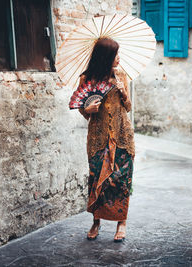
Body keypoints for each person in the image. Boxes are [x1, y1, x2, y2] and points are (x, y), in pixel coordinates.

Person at [76, 37, 135, 242]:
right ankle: (96, 221)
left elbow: (128, 108)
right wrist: (87, 109)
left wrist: (123, 93)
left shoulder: (121, 76)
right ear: (106, 57)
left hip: (122, 136)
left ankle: (122, 223)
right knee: (97, 180)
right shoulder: (87, 79)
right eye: (115, 54)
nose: (119, 58)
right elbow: (84, 111)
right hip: (98, 137)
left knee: (122, 179)